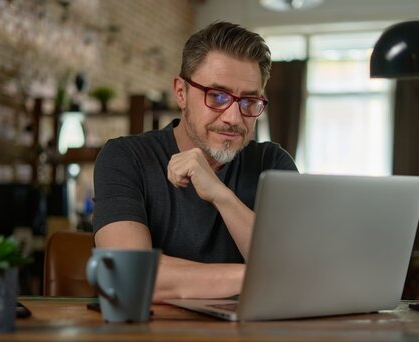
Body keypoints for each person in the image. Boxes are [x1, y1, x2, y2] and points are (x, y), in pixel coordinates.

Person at [92, 21, 298, 302]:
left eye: (249, 101)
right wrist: (263, 274)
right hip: (154, 341)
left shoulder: (272, 163)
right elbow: (129, 275)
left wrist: (220, 195)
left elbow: (297, 271)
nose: (233, 118)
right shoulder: (126, 158)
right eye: (217, 96)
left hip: (252, 340)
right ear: (181, 92)